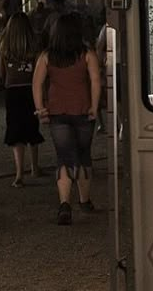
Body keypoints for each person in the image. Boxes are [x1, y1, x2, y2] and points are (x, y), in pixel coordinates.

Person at [32, 12, 101, 226]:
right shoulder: (87, 54)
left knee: (63, 157)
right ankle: (84, 200)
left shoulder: (46, 56)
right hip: (82, 111)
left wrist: (40, 108)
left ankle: (64, 204)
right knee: (83, 155)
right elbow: (96, 80)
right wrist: (94, 107)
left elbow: (36, 83)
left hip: (57, 112)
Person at [0, 12, 44, 186]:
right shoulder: (34, 45)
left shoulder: (4, 46)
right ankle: (35, 166)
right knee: (32, 127)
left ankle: (19, 174)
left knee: (15, 130)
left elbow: (0, 73)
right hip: (30, 89)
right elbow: (39, 72)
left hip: (12, 92)